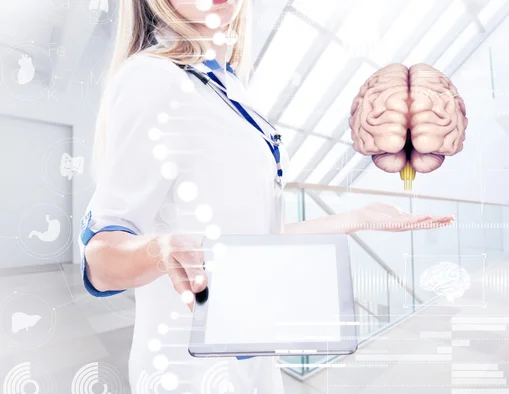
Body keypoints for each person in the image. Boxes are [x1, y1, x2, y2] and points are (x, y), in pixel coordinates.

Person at [80, 0, 454, 392]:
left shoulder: (231, 87)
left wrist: (356, 218)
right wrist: (162, 249)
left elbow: (257, 237)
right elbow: (100, 262)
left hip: (252, 362)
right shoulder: (153, 78)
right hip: (188, 376)